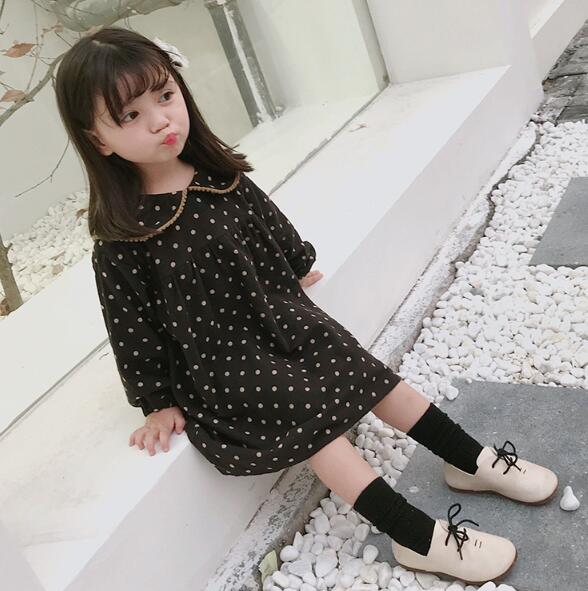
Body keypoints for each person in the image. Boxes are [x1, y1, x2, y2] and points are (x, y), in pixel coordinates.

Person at [54, 26, 558, 584]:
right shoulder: (124, 239)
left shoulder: (220, 178)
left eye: (165, 96)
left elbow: (270, 224)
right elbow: (131, 326)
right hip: (226, 365)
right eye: (130, 115)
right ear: (99, 140)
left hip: (282, 322)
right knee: (311, 421)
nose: (159, 120)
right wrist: (155, 400)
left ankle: (470, 460)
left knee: (369, 374)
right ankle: (413, 537)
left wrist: (296, 263)